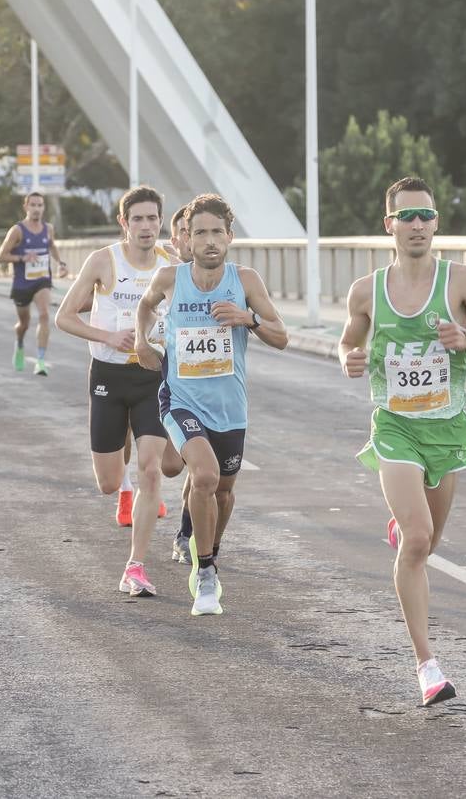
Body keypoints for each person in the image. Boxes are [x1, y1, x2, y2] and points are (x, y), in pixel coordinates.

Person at [338, 176, 466, 708]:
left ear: (436, 223)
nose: (417, 225)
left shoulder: (460, 281)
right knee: (417, 542)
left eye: (425, 216)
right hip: (394, 427)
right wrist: (345, 357)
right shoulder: (367, 290)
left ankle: (405, 525)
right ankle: (426, 664)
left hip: (447, 430)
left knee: (429, 540)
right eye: (406, 216)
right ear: (388, 224)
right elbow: (348, 342)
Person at [135, 193, 288, 616]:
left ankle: (210, 550)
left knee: (222, 493)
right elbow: (145, 308)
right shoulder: (169, 278)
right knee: (203, 476)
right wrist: (140, 343)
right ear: (186, 237)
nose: (208, 240)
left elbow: (281, 336)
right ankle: (204, 573)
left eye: (216, 232)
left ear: (230, 237)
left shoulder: (246, 281)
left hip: (230, 406)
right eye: (199, 232)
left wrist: (247, 319)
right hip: (180, 398)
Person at [56, 186, 175, 595]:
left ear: (161, 222)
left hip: (152, 376)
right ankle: (122, 490)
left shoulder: (171, 264)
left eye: (152, 218)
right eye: (137, 219)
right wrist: (108, 335)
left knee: (151, 467)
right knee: (108, 480)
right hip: (108, 375)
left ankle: (135, 566)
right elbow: (65, 317)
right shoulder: (102, 261)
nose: (146, 226)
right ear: (124, 223)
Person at [0, 192, 68, 375]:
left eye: (40, 205)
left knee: (44, 315)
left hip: (42, 280)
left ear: (43, 208)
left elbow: (51, 245)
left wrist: (60, 263)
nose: (37, 209)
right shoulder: (17, 230)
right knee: (24, 324)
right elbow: (0, 257)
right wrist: (22, 257)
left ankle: (40, 361)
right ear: (26, 207)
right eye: (33, 205)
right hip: (21, 285)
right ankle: (19, 343)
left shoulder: (48, 228)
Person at [160, 202, 197, 564]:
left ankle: (186, 533)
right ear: (175, 240)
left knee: (204, 470)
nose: (193, 239)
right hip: (171, 385)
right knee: (171, 466)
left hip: (212, 390)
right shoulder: (166, 280)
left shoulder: (223, 278)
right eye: (187, 232)